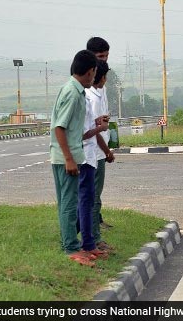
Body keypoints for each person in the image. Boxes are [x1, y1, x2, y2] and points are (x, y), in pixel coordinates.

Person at [50, 50, 97, 266]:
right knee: (69, 205)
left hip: (70, 154)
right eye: (95, 72)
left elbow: (74, 131)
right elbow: (59, 127)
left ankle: (71, 244)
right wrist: (69, 159)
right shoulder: (71, 92)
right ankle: (71, 248)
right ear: (89, 72)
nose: (94, 77)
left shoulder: (77, 92)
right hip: (64, 158)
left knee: (68, 203)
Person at [77, 64, 110, 260]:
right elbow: (86, 132)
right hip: (90, 155)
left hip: (93, 154)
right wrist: (106, 148)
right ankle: (89, 240)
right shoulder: (88, 97)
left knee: (90, 198)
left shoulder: (94, 95)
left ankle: (88, 240)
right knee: (90, 200)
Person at [86, 36, 114, 240]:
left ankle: (95, 225)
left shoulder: (100, 88)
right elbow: (92, 128)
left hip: (99, 145)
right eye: (100, 57)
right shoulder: (89, 92)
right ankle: (92, 237)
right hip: (94, 150)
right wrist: (106, 150)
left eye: (106, 56)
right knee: (92, 196)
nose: (103, 60)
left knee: (94, 194)